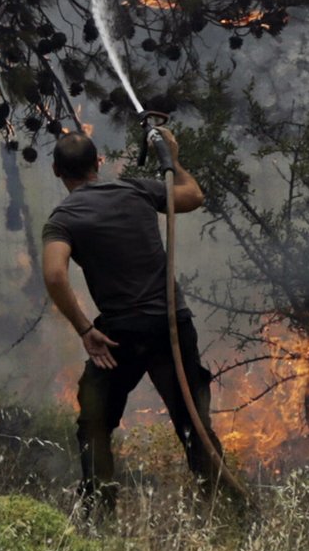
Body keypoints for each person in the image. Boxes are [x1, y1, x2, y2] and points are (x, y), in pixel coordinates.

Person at [40, 125, 241, 510]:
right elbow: (193, 196)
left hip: (119, 337)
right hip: (170, 326)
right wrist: (174, 159)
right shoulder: (134, 189)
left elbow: (53, 274)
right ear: (98, 163)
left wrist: (85, 329)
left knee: (95, 424)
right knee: (194, 427)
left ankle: (100, 511)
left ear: (55, 170)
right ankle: (225, 512)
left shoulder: (62, 218)